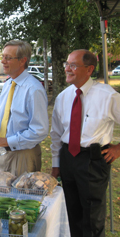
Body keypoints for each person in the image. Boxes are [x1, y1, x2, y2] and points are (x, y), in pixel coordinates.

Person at [50, 49, 120, 237]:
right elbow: (56, 134)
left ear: (89, 70)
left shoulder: (108, 95)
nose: (67, 69)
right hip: (68, 158)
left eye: (73, 65)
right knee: (71, 212)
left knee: (92, 218)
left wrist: (118, 148)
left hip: (93, 161)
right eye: (67, 64)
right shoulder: (63, 97)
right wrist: (56, 164)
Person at [0, 40, 49, 177]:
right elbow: (9, 113)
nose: (2, 61)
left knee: (20, 197)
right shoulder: (8, 84)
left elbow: (40, 130)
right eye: (2, 56)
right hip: (3, 153)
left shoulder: (34, 89)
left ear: (22, 61)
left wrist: (8, 141)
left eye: (8, 58)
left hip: (23, 156)